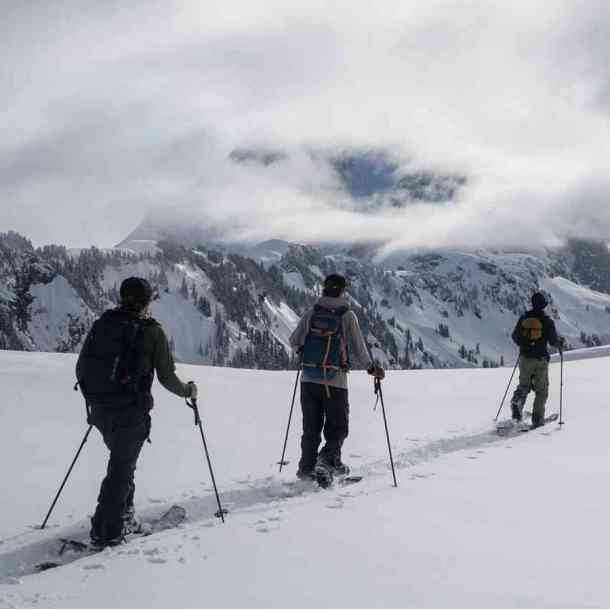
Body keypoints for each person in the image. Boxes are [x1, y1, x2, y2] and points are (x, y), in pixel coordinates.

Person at [76, 277, 197, 546]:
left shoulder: (103, 324)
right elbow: (167, 378)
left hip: (99, 412)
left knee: (122, 464)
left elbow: (81, 368)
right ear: (146, 301)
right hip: (130, 414)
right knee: (120, 469)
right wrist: (189, 391)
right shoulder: (152, 332)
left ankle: (123, 515)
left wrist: (98, 399)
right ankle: (106, 531)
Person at [289, 273, 384, 484]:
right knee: (337, 427)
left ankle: (306, 468)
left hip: (308, 379)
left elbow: (294, 341)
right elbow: (359, 347)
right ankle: (325, 462)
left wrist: (304, 353)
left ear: (324, 289)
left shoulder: (312, 312)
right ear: (342, 291)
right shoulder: (346, 315)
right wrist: (371, 368)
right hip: (335, 382)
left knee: (310, 428)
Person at [510, 291, 564, 428]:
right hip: (540, 360)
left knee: (524, 385)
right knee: (541, 390)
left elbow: (515, 336)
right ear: (544, 306)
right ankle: (537, 419)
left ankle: (517, 403)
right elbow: (553, 342)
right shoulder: (547, 321)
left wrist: (524, 345)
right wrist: (560, 343)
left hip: (525, 359)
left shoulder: (524, 318)